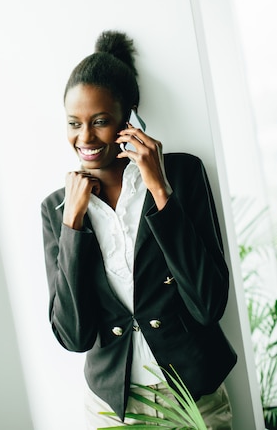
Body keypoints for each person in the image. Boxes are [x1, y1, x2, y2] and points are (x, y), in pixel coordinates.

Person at [41, 30, 237, 429]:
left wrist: (159, 189)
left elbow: (208, 304)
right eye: (73, 124)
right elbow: (74, 337)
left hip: (194, 397)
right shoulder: (57, 209)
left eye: (99, 122)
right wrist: (72, 225)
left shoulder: (182, 174)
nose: (84, 138)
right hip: (114, 408)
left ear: (128, 116)